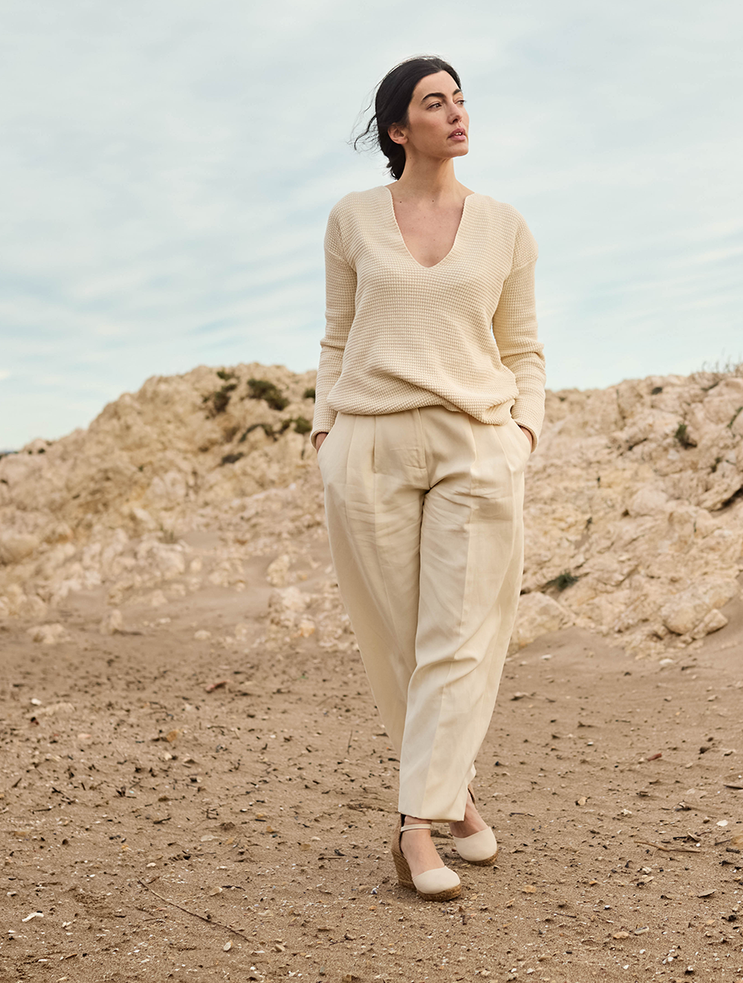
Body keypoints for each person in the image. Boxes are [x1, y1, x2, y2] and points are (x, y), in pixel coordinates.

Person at [311, 55, 544, 901]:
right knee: (402, 641)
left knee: (461, 635)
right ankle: (459, 802)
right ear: (398, 129)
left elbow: (522, 349)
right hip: (367, 443)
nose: (457, 114)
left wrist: (522, 431)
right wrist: (324, 429)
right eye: (434, 102)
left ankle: (414, 827)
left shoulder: (506, 226)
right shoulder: (352, 220)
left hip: (476, 444)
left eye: (461, 99)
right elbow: (337, 336)